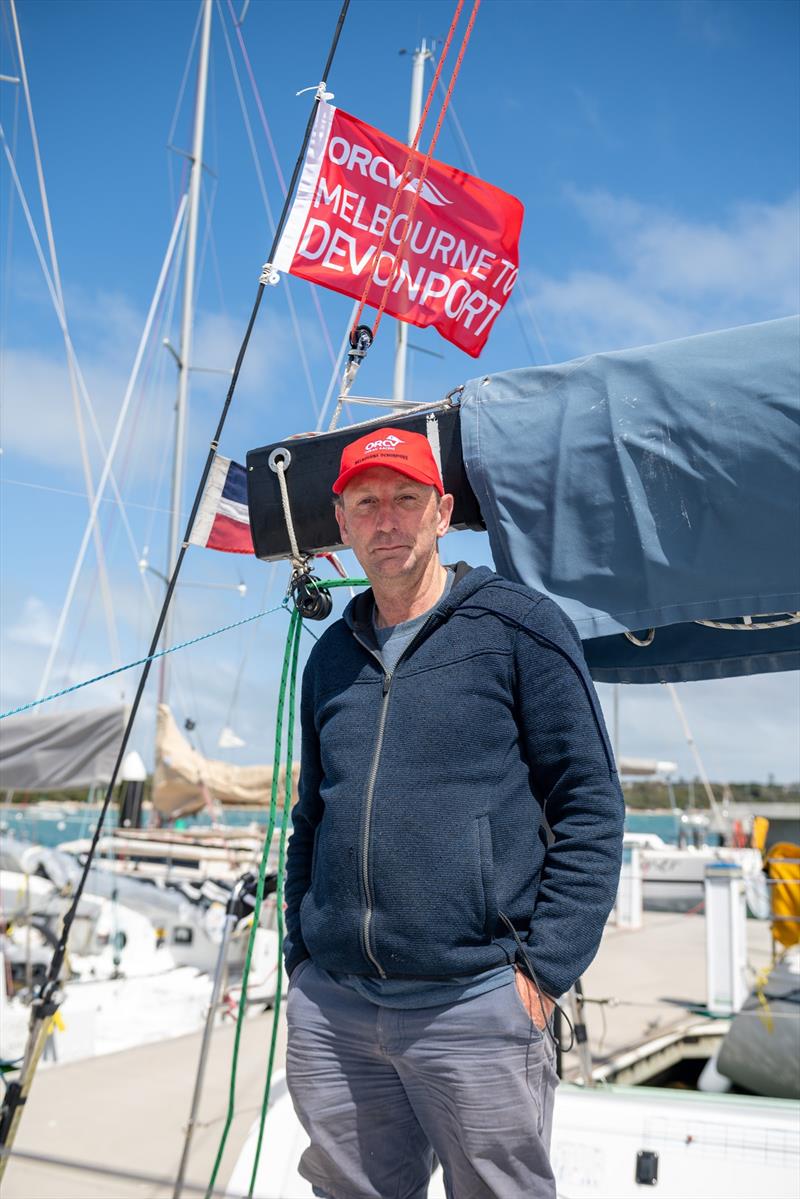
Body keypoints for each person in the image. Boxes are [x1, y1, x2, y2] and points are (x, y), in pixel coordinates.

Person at [284, 426, 624, 1199]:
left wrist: (544, 969)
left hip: (475, 1003)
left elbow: (590, 803)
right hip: (336, 1004)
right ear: (341, 523)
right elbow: (313, 813)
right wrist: (299, 956)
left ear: (441, 513)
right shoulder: (331, 655)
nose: (386, 520)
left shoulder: (518, 628)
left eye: (406, 499)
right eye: (366, 503)